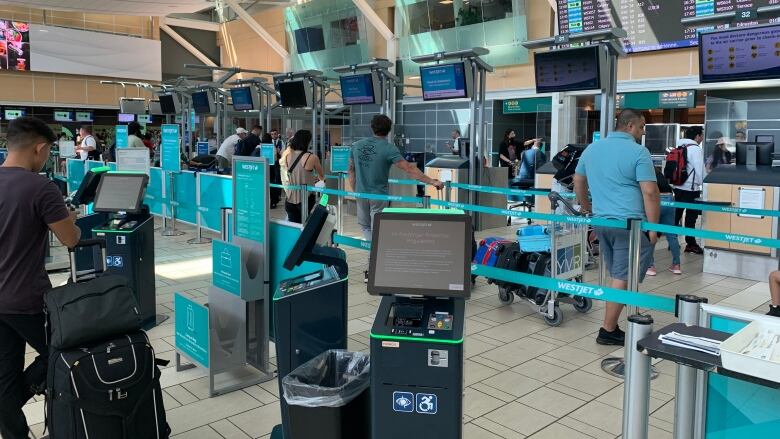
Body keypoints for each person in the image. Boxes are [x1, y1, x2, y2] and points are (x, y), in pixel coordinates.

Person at [0, 117, 81, 439]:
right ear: (40, 148)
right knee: (61, 354)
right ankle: (10, 402)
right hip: (27, 298)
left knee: (4, 374)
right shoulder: (40, 187)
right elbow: (71, 239)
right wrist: (68, 218)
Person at [574, 108, 659, 346]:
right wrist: (653, 227)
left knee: (619, 274)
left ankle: (630, 312)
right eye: (641, 127)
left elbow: (578, 180)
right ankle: (608, 330)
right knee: (623, 276)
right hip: (628, 224)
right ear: (630, 126)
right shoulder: (638, 151)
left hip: (601, 222)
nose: (642, 132)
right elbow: (650, 192)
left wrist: (586, 206)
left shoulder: (592, 148)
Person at [349, 115, 445, 282]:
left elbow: (351, 171)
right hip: (378, 195)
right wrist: (432, 181)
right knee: (377, 229)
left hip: (361, 193)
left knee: (366, 228)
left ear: (372, 128)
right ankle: (373, 266)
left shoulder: (356, 146)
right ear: (388, 130)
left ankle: (372, 264)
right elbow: (409, 169)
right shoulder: (388, 148)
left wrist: (356, 191)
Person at [673, 127, 705, 255]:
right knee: (691, 218)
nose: (702, 138)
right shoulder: (695, 149)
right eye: (701, 135)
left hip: (678, 186)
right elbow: (700, 170)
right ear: (697, 136)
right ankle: (691, 244)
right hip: (691, 189)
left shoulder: (679, 146)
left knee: (676, 215)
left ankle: (672, 241)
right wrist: (705, 185)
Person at [646, 167, 682, 276]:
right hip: (670, 199)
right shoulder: (660, 175)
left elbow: (648, 192)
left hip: (656, 201)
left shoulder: (647, 175)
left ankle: (650, 266)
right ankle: (676, 265)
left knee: (651, 232)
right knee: (671, 234)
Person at [283, 130, 324, 223]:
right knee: (307, 229)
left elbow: (294, 173)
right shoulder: (312, 157)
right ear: (307, 141)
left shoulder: (287, 156)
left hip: (289, 198)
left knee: (294, 228)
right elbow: (321, 176)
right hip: (306, 199)